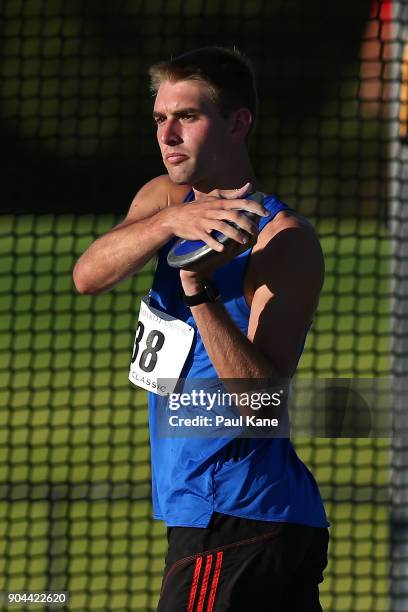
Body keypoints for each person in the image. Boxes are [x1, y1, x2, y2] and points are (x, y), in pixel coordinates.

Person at [73, 47, 329, 612]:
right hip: (214, 513)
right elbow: (88, 276)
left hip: (237, 513)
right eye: (160, 118)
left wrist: (197, 287)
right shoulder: (163, 200)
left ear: (238, 123)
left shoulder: (281, 239)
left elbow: (259, 403)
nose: (168, 134)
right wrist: (170, 222)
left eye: (187, 117)